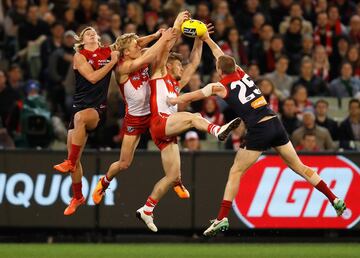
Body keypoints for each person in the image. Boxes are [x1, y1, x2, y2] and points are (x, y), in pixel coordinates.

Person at [168, 35, 346, 237]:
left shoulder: (220, 86)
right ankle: (334, 198)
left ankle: (221, 218)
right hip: (275, 122)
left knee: (235, 172)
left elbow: (195, 95)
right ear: (234, 66)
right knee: (300, 167)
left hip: (259, 130)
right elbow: (221, 54)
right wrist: (207, 38)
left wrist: (173, 98)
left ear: (218, 71)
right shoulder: (242, 73)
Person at [135, 23, 241, 233]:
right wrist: (174, 28)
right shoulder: (158, 74)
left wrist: (199, 39)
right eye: (178, 66)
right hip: (159, 123)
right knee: (193, 117)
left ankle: (147, 208)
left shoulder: (176, 85)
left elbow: (194, 62)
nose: (182, 69)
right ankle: (216, 131)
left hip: (166, 132)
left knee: (172, 176)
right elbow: (163, 52)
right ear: (170, 65)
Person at [91, 13, 188, 207]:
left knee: (171, 144)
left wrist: (168, 31)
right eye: (136, 46)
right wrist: (161, 37)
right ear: (126, 52)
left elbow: (153, 47)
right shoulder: (123, 68)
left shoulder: (138, 53)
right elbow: (150, 53)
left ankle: (176, 179)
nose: (140, 47)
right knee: (124, 163)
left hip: (154, 114)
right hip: (134, 119)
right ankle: (104, 181)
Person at [52, 27, 119, 216]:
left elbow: (132, 42)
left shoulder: (108, 50)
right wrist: (112, 62)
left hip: (97, 110)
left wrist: (155, 36)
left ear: (97, 37)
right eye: (87, 32)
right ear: (82, 40)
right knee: (74, 154)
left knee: (79, 121)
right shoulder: (79, 56)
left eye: (93, 32)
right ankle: (78, 196)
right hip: (80, 107)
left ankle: (70, 162)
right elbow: (92, 77)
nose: (91, 33)